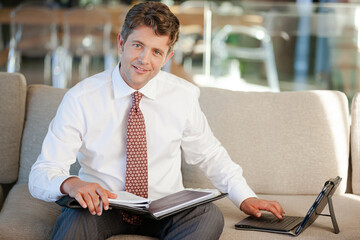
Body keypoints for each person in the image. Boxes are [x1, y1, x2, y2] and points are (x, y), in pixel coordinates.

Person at [29, 2, 284, 239]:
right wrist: (71, 183)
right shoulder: (81, 98)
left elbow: (209, 154)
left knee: (208, 216)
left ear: (167, 57)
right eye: (137, 45)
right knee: (74, 222)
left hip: (166, 207)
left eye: (156, 51)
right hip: (104, 206)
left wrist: (245, 197)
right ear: (121, 43)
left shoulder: (183, 95)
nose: (144, 60)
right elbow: (42, 173)